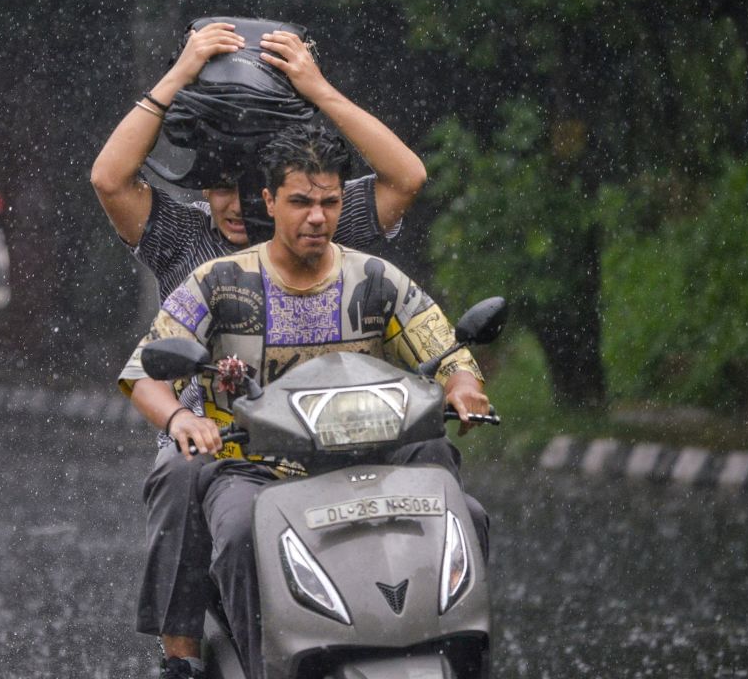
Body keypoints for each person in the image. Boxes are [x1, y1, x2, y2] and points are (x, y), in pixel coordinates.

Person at [91, 21, 431, 678]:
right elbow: (109, 179)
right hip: (216, 436)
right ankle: (181, 658)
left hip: (332, 429)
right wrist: (179, 74)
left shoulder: (319, 222)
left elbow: (407, 175)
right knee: (181, 471)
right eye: (219, 187)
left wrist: (318, 89)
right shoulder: (183, 235)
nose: (238, 204)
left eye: (253, 189)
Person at [118, 124, 492, 679]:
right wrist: (180, 418)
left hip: (374, 463)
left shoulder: (375, 279)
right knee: (242, 532)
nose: (317, 217)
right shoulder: (219, 281)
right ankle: (257, 663)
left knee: (469, 513)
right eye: (300, 202)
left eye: (330, 202)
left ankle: (462, 656)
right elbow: (143, 374)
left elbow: (447, 351)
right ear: (269, 202)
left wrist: (462, 386)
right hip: (250, 469)